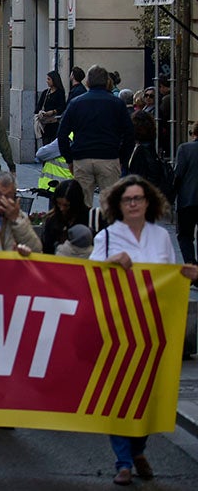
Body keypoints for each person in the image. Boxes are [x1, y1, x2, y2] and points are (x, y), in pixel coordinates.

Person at [91, 175, 198, 485]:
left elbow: (168, 277)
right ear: (117, 204)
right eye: (127, 199)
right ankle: (123, 461)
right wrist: (111, 262)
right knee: (119, 397)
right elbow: (90, 278)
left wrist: (187, 274)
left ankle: (139, 448)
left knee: (150, 397)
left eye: (138, 198)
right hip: (118, 330)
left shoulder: (160, 237)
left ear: (148, 202)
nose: (134, 204)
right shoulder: (108, 238)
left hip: (154, 330)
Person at [56, 65, 134, 207]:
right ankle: (107, 228)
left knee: (81, 205)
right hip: (108, 157)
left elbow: (62, 134)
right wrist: (122, 158)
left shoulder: (76, 103)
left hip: (82, 157)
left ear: (87, 82)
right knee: (110, 206)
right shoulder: (117, 104)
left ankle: (84, 228)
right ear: (107, 82)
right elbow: (129, 134)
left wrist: (69, 159)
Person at [0, 171, 42, 254]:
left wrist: (16, 220)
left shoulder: (18, 215)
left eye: (8, 196)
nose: (2, 200)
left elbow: (35, 248)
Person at [39, 179, 94, 255]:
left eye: (66, 205)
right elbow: (46, 248)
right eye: (59, 204)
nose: (61, 208)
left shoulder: (91, 217)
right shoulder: (52, 219)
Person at [175, 121, 198, 264]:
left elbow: (178, 175)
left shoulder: (185, 149)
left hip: (188, 200)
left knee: (185, 236)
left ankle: (192, 267)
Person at [35, 70, 67, 145]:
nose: (47, 81)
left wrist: (53, 111)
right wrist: (41, 112)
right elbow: (38, 107)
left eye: (49, 79)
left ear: (54, 80)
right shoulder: (45, 93)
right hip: (44, 124)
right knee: (45, 144)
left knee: (53, 144)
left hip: (54, 123)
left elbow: (62, 107)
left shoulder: (60, 93)